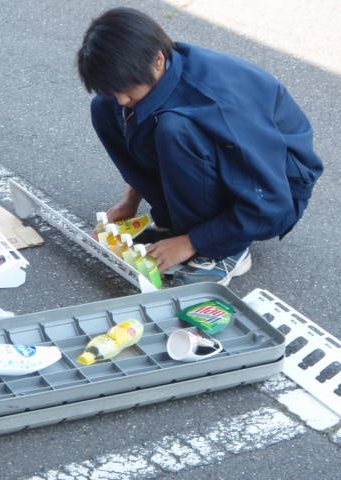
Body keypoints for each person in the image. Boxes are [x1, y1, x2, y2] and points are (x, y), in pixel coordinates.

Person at [77, 7, 323, 286]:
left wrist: (191, 242)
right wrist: (131, 198)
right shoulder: (156, 70)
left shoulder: (219, 106)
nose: (122, 98)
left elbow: (272, 202)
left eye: (127, 89)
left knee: (175, 130)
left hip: (277, 188)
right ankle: (174, 221)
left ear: (157, 60)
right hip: (227, 163)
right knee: (105, 107)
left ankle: (228, 249)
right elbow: (126, 108)